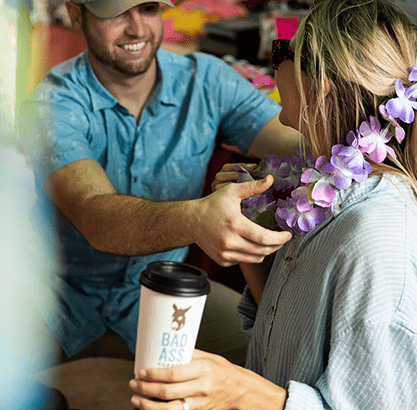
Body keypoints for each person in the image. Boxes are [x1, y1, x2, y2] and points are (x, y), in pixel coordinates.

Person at [128, 0, 417, 410]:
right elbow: (290, 334)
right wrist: (245, 229)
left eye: (283, 51)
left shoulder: (374, 242)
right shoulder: (333, 188)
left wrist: (237, 390)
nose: (272, 62)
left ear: (318, 86)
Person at [18, 0, 299, 366]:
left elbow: (295, 143)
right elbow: (97, 217)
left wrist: (367, 140)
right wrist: (197, 219)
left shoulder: (206, 80)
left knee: (269, 355)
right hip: (60, 304)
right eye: (116, 13)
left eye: (148, 8)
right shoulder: (51, 105)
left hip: (168, 290)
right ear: (76, 14)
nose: (137, 29)